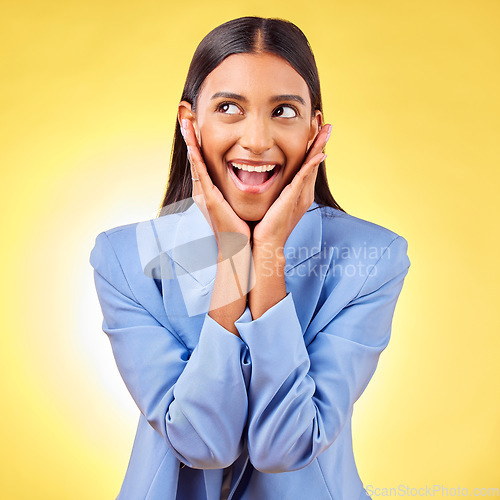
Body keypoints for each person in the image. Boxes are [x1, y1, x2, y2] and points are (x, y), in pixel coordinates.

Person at [90, 16, 411, 500]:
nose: (258, 140)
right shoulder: (124, 261)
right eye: (229, 108)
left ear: (314, 129)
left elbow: (286, 447)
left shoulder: (370, 260)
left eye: (283, 110)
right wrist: (229, 262)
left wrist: (270, 258)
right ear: (190, 122)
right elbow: (203, 443)